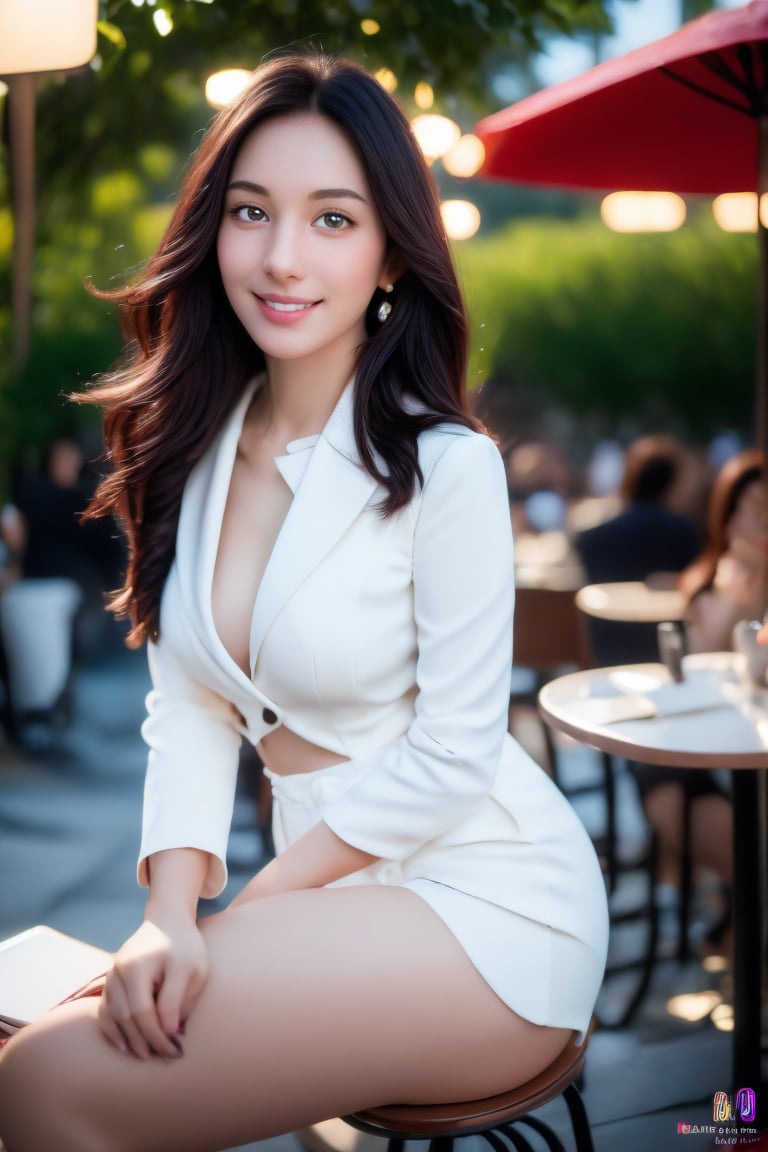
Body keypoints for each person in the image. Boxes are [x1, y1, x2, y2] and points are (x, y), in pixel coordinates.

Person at [0, 53, 608, 1152]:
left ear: (389, 254)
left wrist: (245, 918)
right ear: (212, 229)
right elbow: (187, 710)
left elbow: (456, 751)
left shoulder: (445, 466)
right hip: (327, 903)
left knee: (43, 1083)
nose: (282, 258)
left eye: (333, 220)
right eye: (251, 212)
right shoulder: (195, 450)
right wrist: (167, 916)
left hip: (484, 902)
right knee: (36, 1053)